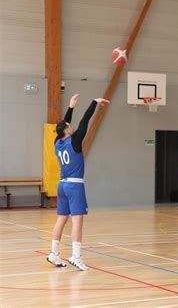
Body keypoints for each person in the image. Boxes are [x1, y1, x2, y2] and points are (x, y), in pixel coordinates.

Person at [47, 94, 109, 271]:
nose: (71, 125)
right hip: (75, 186)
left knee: (61, 220)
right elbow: (85, 121)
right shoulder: (74, 141)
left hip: (62, 185)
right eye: (69, 125)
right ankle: (76, 256)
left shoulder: (57, 142)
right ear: (67, 130)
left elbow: (64, 125)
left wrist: (71, 107)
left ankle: (54, 253)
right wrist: (93, 103)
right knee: (77, 222)